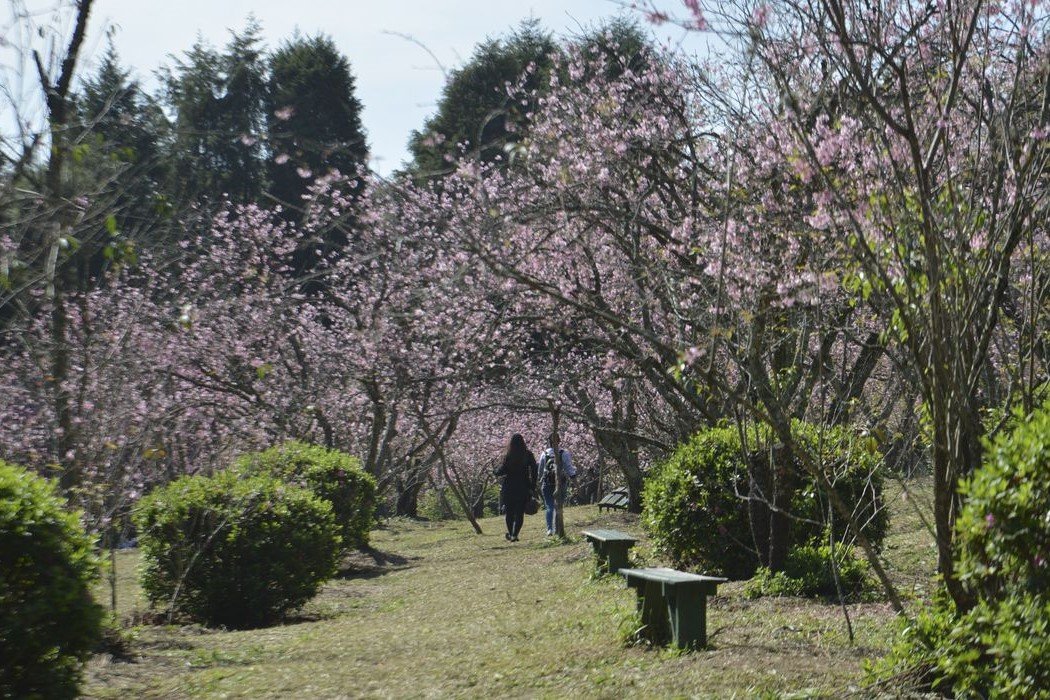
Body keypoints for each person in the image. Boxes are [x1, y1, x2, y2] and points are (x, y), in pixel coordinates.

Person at [493, 434, 538, 542]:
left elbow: (501, 471)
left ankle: (511, 533)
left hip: (509, 487)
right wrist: (532, 485)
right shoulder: (528, 454)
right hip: (523, 486)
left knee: (509, 513)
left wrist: (494, 470)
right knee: (519, 513)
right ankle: (514, 534)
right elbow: (534, 470)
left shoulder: (508, 455)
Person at [538, 434, 576, 536]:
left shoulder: (544, 453)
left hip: (547, 482)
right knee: (559, 506)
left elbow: (540, 470)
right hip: (560, 482)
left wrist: (539, 481)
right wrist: (575, 481)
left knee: (549, 506)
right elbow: (569, 469)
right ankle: (558, 528)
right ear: (559, 441)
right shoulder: (563, 453)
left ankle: (550, 529)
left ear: (549, 442)